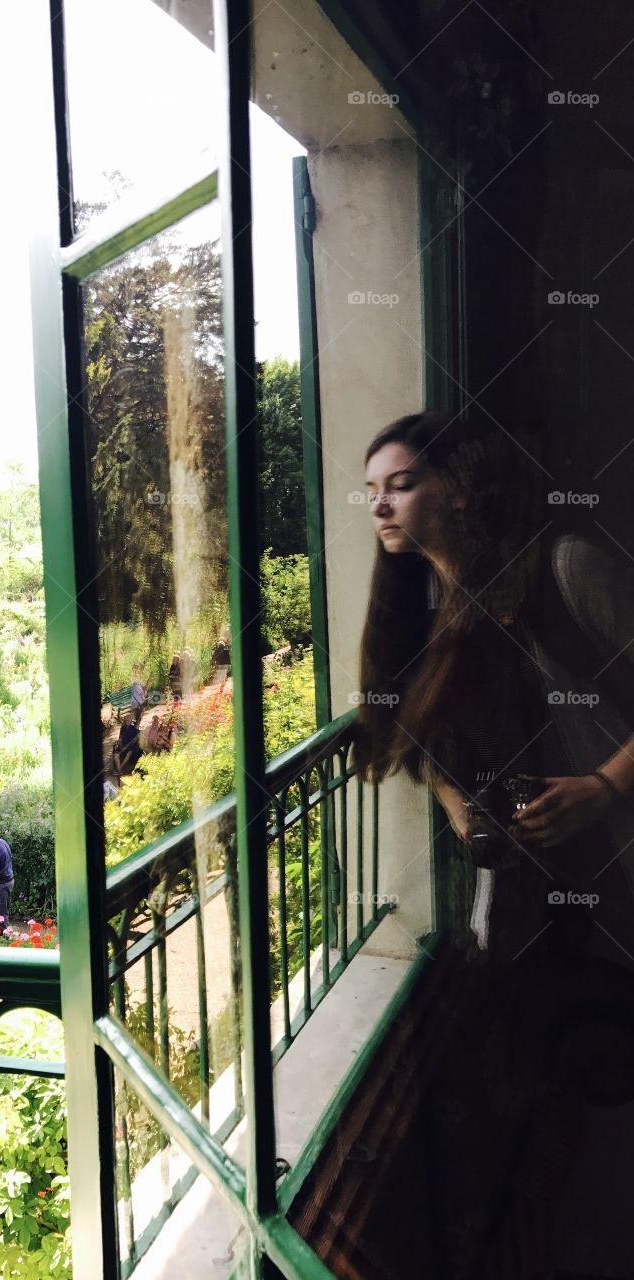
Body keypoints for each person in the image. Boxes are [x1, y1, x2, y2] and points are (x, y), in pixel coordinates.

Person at [351, 410, 634, 1277]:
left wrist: (605, 788)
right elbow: (408, 733)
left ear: (461, 488)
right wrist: (453, 803)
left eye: (401, 483)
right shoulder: (437, 608)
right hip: (532, 906)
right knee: (561, 1107)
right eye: (371, 492)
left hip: (620, 883)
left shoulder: (565, 566)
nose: (381, 507)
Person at [112, 709, 142, 776]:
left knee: (129, 753)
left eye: (127, 720)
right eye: (125, 720)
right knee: (115, 754)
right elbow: (120, 737)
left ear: (131, 721)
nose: (126, 722)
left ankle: (119, 769)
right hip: (122, 745)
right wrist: (119, 742)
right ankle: (120, 770)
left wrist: (127, 746)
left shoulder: (134, 729)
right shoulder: (122, 728)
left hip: (130, 747)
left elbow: (135, 740)